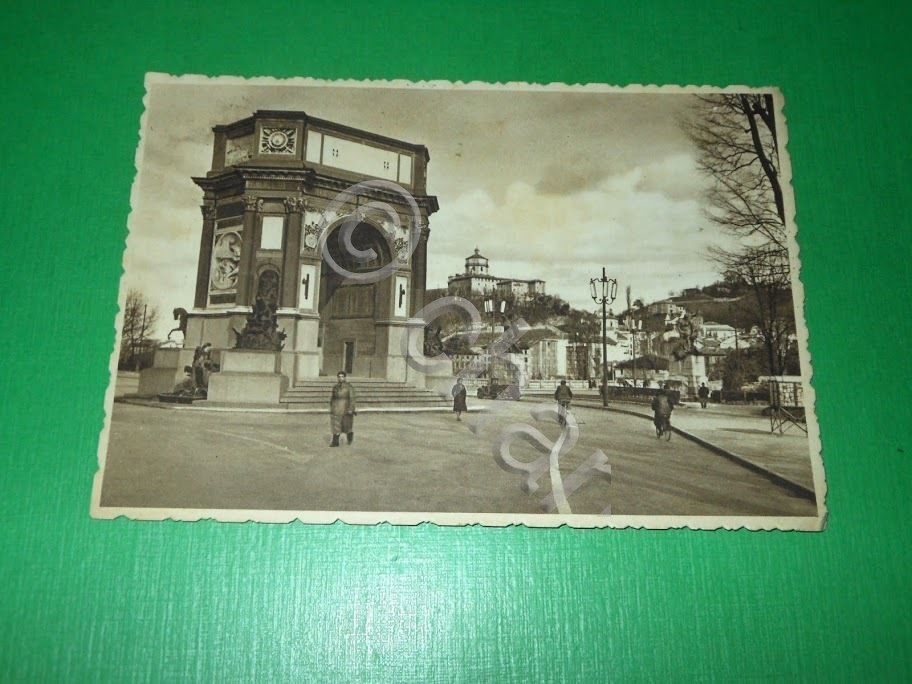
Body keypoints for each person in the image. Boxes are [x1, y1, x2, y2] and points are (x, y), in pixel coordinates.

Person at [329, 371, 356, 447]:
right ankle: (335, 442)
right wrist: (332, 407)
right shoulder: (335, 387)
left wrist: (351, 408)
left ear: (345, 377)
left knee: (347, 425)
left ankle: (350, 437)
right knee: (336, 425)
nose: (340, 378)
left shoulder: (349, 387)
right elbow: (332, 398)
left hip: (345, 408)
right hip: (336, 408)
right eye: (339, 377)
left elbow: (352, 398)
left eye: (342, 376)